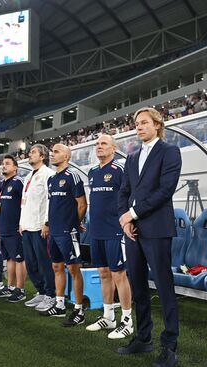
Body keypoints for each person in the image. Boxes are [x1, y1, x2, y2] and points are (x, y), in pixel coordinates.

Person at [117, 107, 182, 367]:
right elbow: (123, 191)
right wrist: (124, 219)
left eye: (144, 122)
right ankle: (143, 337)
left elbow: (165, 190)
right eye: (136, 123)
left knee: (164, 287)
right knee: (139, 287)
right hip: (133, 231)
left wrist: (131, 214)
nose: (139, 127)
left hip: (156, 228)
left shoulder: (169, 151)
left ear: (157, 124)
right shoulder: (131, 157)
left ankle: (170, 345)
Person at [86, 135, 134, 340]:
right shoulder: (92, 172)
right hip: (95, 231)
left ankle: (127, 321)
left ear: (113, 148)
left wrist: (127, 222)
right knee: (103, 273)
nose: (99, 147)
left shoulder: (120, 169)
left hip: (115, 230)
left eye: (103, 144)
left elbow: (130, 196)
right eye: (97, 144)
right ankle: (108, 316)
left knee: (118, 274)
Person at [39, 144, 88, 328]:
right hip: (54, 232)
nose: (52, 154)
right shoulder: (52, 179)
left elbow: (82, 204)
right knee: (57, 267)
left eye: (57, 151)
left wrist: (74, 224)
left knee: (74, 270)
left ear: (67, 156)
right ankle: (59, 305)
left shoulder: (72, 176)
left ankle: (79, 310)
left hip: (68, 232)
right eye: (52, 152)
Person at [19, 144, 57, 312]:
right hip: (27, 225)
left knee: (44, 263)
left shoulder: (48, 174)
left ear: (42, 156)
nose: (30, 154)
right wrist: (21, 222)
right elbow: (24, 202)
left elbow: (50, 201)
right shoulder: (28, 176)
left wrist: (47, 222)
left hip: (40, 225)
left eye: (33, 152)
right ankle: (41, 291)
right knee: (31, 262)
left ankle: (51, 294)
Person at [0, 155, 27, 302]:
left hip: (14, 227)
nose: (4, 166)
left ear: (15, 168)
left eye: (7, 164)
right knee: (8, 258)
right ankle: (11, 286)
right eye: (3, 164)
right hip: (3, 226)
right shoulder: (1, 184)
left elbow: (24, 203)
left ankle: (21, 289)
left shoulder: (19, 182)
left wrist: (22, 223)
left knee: (19, 258)